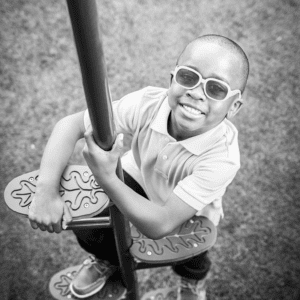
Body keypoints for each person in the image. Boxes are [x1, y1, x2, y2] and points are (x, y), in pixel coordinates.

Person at [28, 34, 249, 300]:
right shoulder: (148, 104)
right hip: (139, 176)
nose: (196, 92)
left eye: (216, 89)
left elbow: (161, 224)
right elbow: (70, 125)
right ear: (172, 79)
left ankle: (192, 284)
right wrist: (46, 189)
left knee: (191, 255)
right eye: (188, 77)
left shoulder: (222, 157)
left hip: (188, 209)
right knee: (93, 229)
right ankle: (108, 261)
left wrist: (107, 177)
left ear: (233, 106)